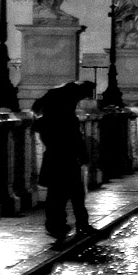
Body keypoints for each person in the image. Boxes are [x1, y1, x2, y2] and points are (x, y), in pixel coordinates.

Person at [32, 80, 98, 241]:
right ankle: (71, 224)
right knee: (71, 194)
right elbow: (74, 137)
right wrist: (82, 154)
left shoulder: (50, 115)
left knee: (58, 194)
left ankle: (59, 224)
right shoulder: (65, 116)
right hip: (66, 158)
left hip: (55, 157)